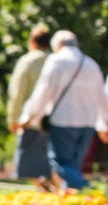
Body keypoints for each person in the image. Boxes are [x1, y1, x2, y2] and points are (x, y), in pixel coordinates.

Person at [15, 30, 108, 192]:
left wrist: (29, 116)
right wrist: (104, 124)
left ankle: (90, 191)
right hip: (87, 123)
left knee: (59, 162)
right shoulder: (91, 64)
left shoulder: (56, 61)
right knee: (74, 164)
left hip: (63, 121)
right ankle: (79, 203)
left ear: (56, 45)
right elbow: (101, 97)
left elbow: (42, 91)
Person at [6, 24, 57, 188]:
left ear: (32, 41)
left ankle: (43, 195)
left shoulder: (28, 61)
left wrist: (13, 118)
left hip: (31, 119)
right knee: (50, 162)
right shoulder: (56, 60)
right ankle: (51, 193)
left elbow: (17, 92)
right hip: (56, 119)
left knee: (28, 164)